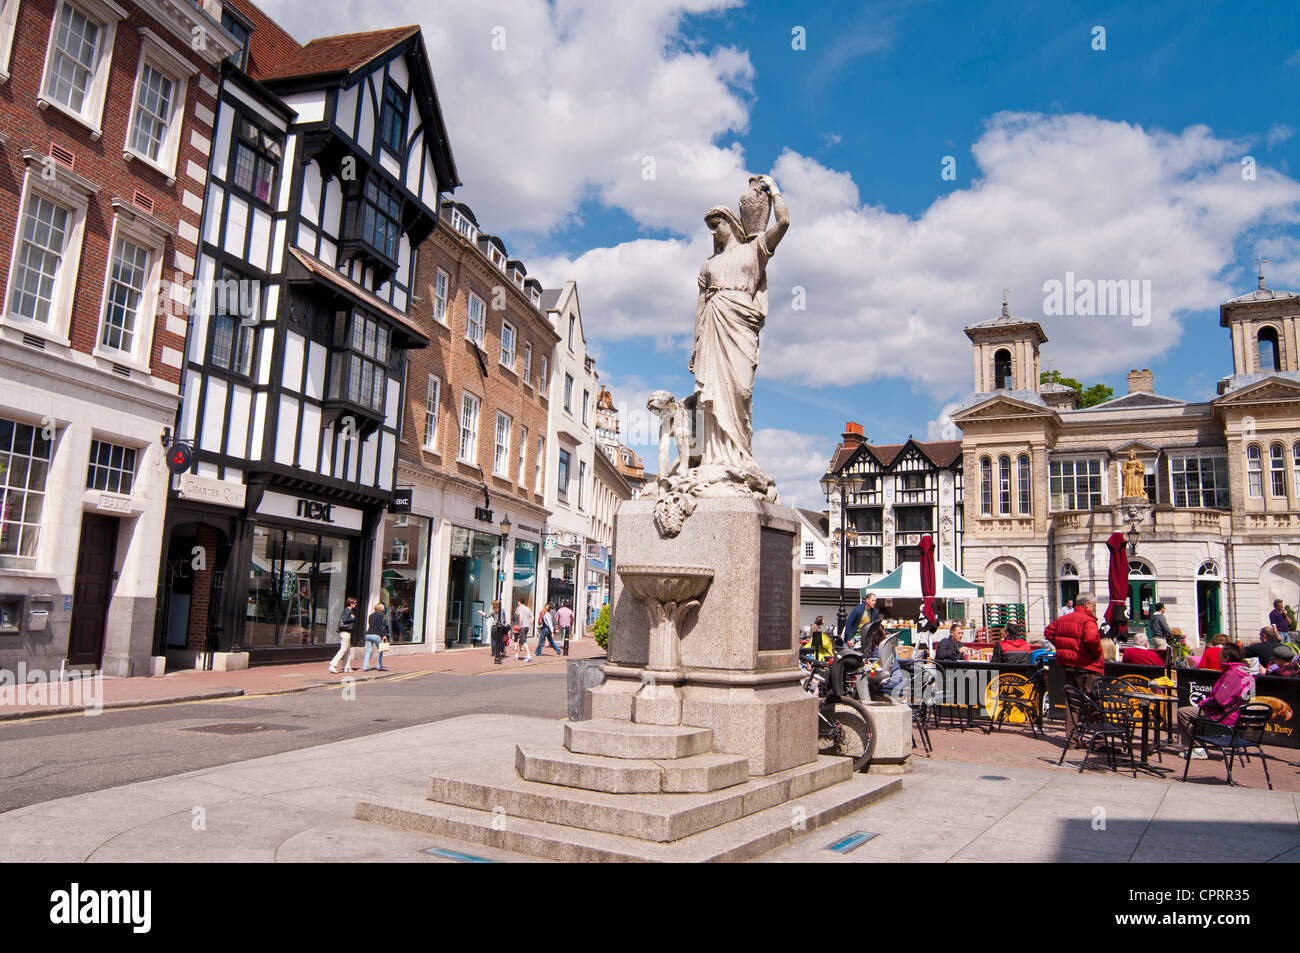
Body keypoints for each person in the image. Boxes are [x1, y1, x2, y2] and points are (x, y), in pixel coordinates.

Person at [1178, 643, 1255, 759]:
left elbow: (1221, 700)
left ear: (1226, 658)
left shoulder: (1232, 674)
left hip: (1224, 715)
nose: (1218, 656)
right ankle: (1198, 746)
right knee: (1194, 712)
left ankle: (1197, 748)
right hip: (1237, 715)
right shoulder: (1247, 674)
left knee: (1183, 712)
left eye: (1220, 654)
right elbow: (1250, 697)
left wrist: (1203, 702)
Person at [1044, 591, 1104, 739]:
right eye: (1093, 605)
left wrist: (1063, 648)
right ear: (1087, 604)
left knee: (1072, 704)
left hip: (1070, 666)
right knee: (1093, 703)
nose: (1094, 608)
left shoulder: (1063, 619)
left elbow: (1049, 632)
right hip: (1088, 666)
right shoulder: (1088, 621)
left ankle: (1072, 738)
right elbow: (1091, 641)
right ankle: (1098, 741)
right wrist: (1095, 654)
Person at [329, 596, 358, 674]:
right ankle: (333, 665)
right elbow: (345, 620)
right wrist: (352, 618)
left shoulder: (347, 610)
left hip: (345, 632)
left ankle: (347, 667)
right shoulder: (348, 610)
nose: (356, 604)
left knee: (348, 651)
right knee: (343, 650)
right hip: (345, 633)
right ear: (350, 603)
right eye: (354, 603)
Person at [363, 601, 388, 672]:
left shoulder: (370, 615)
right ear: (381, 609)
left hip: (368, 634)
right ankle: (379, 666)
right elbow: (379, 626)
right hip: (376, 635)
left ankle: (365, 667)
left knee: (368, 651)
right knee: (380, 650)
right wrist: (383, 635)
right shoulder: (380, 616)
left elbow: (371, 625)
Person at [481, 599, 508, 664]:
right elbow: (505, 620)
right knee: (500, 640)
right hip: (500, 626)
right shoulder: (502, 610)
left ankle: (494, 653)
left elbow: (487, 616)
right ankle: (503, 650)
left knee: (493, 640)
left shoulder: (493, 611)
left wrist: (482, 613)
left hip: (494, 626)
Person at [513, 598, 534, 662]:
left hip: (522, 626)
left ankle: (528, 655)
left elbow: (521, 617)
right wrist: (530, 625)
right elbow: (533, 618)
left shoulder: (519, 608)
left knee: (524, 641)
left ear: (519, 602)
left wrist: (520, 625)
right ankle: (517, 654)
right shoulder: (527, 609)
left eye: (518, 602)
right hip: (527, 627)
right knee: (521, 641)